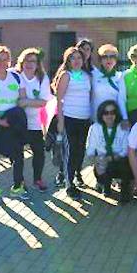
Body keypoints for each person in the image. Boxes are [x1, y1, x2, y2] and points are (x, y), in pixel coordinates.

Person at [0, 46, 29, 203]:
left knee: (18, 155)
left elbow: (22, 100)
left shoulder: (16, 77)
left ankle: (18, 187)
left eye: (5, 59)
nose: (2, 62)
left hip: (12, 123)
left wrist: (12, 117)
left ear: (10, 61)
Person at [52, 46, 93, 199]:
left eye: (79, 58)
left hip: (84, 120)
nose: (76, 61)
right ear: (67, 61)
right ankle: (69, 185)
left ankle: (75, 176)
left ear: (83, 60)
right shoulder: (66, 75)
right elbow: (59, 99)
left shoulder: (86, 76)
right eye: (72, 58)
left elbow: (89, 97)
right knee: (70, 152)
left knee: (80, 151)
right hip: (69, 119)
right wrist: (60, 121)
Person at [15, 48, 52, 193]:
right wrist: (31, 101)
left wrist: (25, 102)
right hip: (19, 123)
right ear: (21, 62)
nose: (29, 64)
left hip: (36, 124)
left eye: (33, 61)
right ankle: (20, 180)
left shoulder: (42, 78)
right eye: (27, 61)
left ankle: (38, 179)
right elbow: (16, 101)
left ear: (38, 64)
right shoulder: (16, 75)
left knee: (39, 153)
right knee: (18, 154)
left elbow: (43, 102)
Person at [86, 100, 132, 200]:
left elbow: (125, 150)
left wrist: (110, 158)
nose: (109, 116)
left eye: (112, 113)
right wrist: (97, 160)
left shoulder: (122, 127)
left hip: (119, 160)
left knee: (125, 164)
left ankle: (125, 190)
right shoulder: (95, 128)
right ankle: (105, 186)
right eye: (106, 113)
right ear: (101, 114)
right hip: (102, 160)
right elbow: (90, 150)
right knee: (101, 166)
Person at [91, 44, 128, 126]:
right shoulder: (93, 75)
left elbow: (122, 99)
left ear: (116, 60)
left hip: (113, 119)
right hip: (96, 119)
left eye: (112, 56)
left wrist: (125, 118)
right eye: (105, 57)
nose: (109, 59)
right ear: (100, 60)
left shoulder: (120, 76)